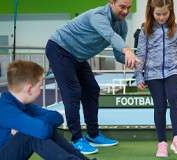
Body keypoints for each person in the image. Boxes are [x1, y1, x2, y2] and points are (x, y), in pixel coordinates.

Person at [45, 0, 137, 154]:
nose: (126, 11)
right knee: (73, 91)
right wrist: (127, 49)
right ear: (111, 3)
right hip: (60, 49)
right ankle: (76, 139)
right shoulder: (98, 15)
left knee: (92, 89)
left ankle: (93, 134)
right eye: (122, 7)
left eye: (129, 8)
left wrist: (135, 61)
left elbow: (118, 53)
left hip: (78, 57)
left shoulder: (122, 25)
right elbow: (110, 35)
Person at [0, 60, 91, 160]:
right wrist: (31, 125)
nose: (41, 90)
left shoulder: (23, 105)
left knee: (36, 129)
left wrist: (30, 123)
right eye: (40, 86)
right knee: (32, 133)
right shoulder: (6, 110)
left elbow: (57, 117)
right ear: (29, 89)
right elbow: (43, 130)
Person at [135, 0, 177, 157]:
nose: (161, 17)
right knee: (159, 106)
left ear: (171, 11)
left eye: (165, 14)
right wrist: (139, 74)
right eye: (158, 14)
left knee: (174, 99)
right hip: (152, 74)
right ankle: (161, 143)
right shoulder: (145, 30)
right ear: (151, 12)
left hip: (172, 71)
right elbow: (141, 54)